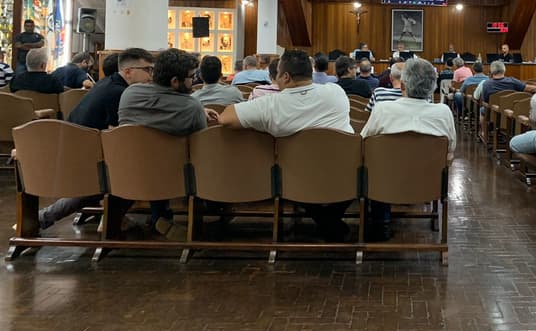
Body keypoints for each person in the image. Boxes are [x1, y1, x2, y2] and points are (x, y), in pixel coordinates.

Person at [218, 50, 353, 241]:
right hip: (345, 176)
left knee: (290, 173)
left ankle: (326, 222)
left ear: (286, 76)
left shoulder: (270, 105)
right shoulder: (336, 93)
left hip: (296, 179)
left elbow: (225, 118)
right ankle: (329, 222)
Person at [37, 48, 155, 231]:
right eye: (147, 70)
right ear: (129, 71)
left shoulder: (108, 83)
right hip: (87, 158)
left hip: (76, 151)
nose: (151, 76)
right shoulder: (119, 93)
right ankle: (112, 221)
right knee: (134, 172)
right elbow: (120, 134)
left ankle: (46, 216)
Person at [119, 49, 216, 239]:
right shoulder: (191, 107)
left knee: (152, 155)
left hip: (127, 172)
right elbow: (202, 147)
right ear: (174, 81)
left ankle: (158, 218)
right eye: (190, 76)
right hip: (175, 179)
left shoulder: (130, 94)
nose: (193, 80)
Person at [361, 58, 456, 240]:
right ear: (432, 87)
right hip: (429, 184)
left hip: (384, 185)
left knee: (375, 164)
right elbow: (450, 150)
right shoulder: (444, 112)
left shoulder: (382, 109)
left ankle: (382, 223)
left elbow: (363, 143)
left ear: (402, 85)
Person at [473, 60, 536, 139]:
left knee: (482, 110)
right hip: (513, 114)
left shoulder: (487, 84)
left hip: (493, 115)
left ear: (491, 71)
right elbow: (529, 89)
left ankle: (483, 132)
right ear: (504, 69)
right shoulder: (513, 81)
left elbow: (486, 101)